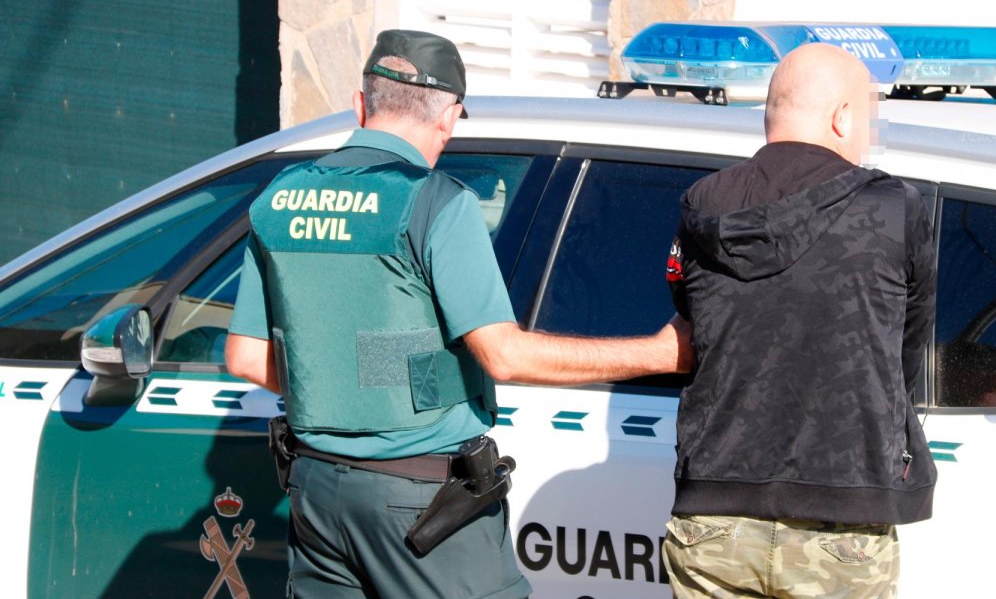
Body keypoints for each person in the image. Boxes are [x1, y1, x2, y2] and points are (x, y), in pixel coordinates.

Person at [224, 29, 691, 599]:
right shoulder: (435, 202)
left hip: (315, 491)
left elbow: (246, 357)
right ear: (447, 117)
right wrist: (663, 350)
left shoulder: (279, 198)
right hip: (420, 503)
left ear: (360, 103)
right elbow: (505, 356)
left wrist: (345, 389)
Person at [662, 43, 937, 599]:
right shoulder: (896, 209)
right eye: (867, 120)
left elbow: (698, 330)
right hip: (844, 519)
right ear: (841, 116)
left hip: (714, 515)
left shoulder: (701, 206)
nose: (867, 139)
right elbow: (905, 359)